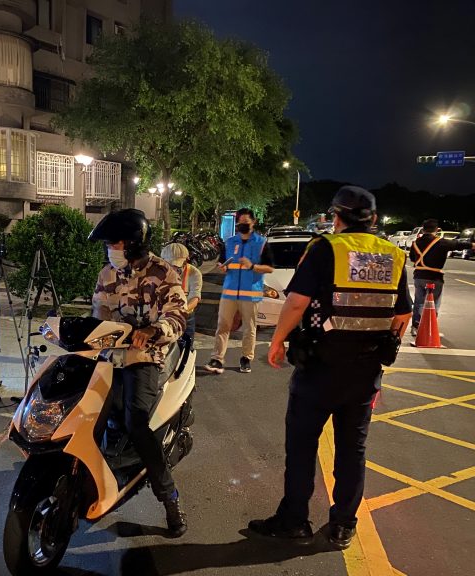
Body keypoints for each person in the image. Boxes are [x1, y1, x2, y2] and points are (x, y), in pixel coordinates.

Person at [249, 186, 412, 549]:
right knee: (352, 449)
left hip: (319, 367)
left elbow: (296, 303)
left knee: (302, 446)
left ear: (336, 217)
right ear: (373, 219)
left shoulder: (325, 248)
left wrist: (277, 341)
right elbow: (402, 315)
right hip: (366, 370)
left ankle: (294, 521)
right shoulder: (393, 254)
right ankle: (342, 525)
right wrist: (385, 343)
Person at [89, 208, 189, 537]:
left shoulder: (162, 272)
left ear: (132, 243)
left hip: (144, 355)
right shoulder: (107, 274)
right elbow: (98, 315)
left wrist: (154, 330)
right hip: (109, 355)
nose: (110, 249)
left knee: (136, 422)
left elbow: (177, 315)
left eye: (114, 243)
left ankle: (169, 497)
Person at [204, 208, 274, 375]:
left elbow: (270, 268)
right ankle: (217, 358)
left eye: (246, 223)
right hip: (229, 292)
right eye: (240, 223)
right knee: (222, 326)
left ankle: (246, 358)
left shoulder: (261, 243)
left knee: (249, 328)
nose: (242, 225)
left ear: (253, 222)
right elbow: (222, 262)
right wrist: (222, 267)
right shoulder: (230, 242)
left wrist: (252, 266)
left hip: (251, 293)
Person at [409, 219, 475, 336]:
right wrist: (472, 245)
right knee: (433, 304)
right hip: (435, 278)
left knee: (419, 302)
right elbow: (458, 244)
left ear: (423, 229)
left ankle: (415, 326)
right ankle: (429, 327)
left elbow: (412, 259)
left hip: (419, 276)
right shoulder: (441, 242)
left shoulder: (415, 243)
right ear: (437, 230)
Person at [160, 242, 202, 343]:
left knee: (186, 346)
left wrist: (181, 312)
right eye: (169, 264)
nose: (173, 268)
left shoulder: (194, 273)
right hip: (162, 316)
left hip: (185, 316)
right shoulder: (158, 272)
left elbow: (194, 298)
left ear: (186, 261)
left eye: (176, 265)